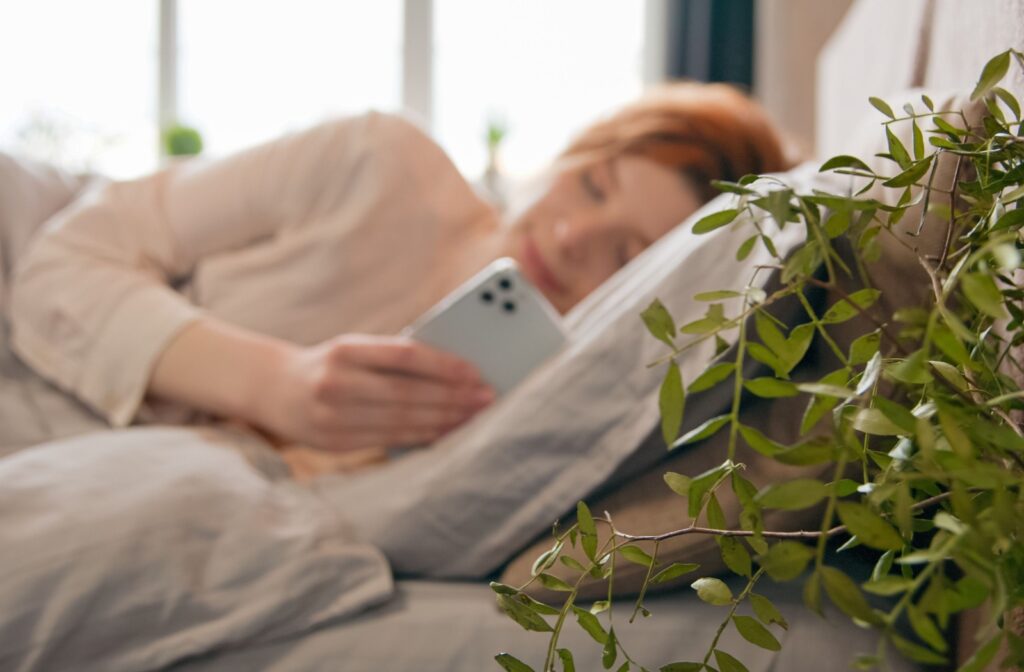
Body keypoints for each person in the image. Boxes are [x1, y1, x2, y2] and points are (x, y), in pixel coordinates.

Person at [6, 82, 786, 477]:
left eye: (623, 254)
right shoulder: (378, 162)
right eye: (591, 185)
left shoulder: (545, 406)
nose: (572, 236)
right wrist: (277, 383)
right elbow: (62, 259)